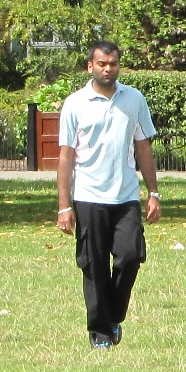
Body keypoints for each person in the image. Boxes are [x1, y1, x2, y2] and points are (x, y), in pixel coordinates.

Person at [56, 42, 162, 349]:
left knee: (130, 256)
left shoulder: (133, 100)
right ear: (90, 66)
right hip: (89, 196)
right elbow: (65, 157)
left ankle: (114, 314)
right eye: (102, 63)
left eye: (113, 64)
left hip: (126, 196)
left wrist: (153, 193)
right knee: (94, 265)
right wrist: (64, 206)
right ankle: (100, 332)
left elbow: (143, 146)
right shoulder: (76, 104)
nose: (108, 68)